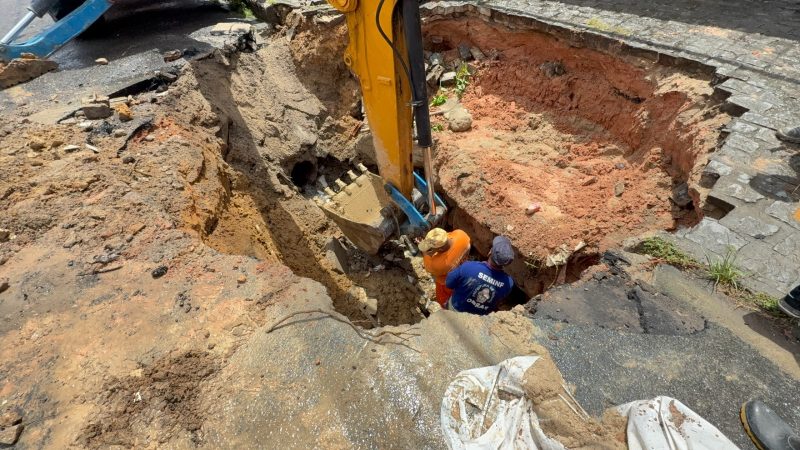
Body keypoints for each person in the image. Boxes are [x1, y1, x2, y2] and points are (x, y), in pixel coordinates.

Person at [445, 235, 515, 315]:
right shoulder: (509, 283)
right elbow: (498, 300)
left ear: (490, 252)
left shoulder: (468, 267)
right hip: (480, 319)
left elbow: (448, 283)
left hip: (456, 310)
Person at [419, 228, 471, 307]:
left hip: (446, 283)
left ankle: (446, 307)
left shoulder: (440, 264)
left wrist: (425, 253)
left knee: (443, 299)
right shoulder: (461, 235)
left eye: (432, 248)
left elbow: (428, 268)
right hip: (464, 268)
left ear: (440, 248)